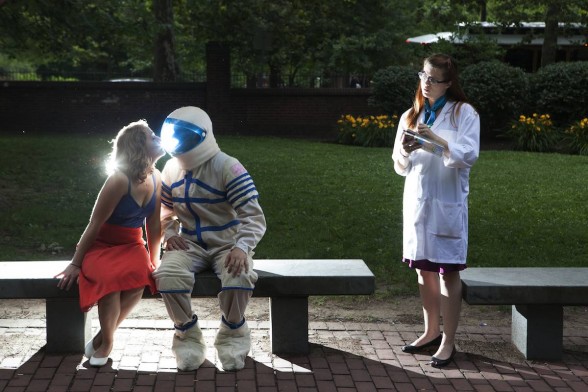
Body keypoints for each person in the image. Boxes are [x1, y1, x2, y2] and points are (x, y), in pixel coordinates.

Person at [153, 106, 266, 372]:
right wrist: (169, 233)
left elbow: (253, 216)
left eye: (186, 136)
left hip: (227, 243)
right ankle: (187, 335)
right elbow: (165, 210)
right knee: (167, 276)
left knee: (239, 276)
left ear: (203, 136)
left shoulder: (227, 167)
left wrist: (242, 247)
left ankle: (233, 332)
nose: (179, 143)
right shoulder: (171, 169)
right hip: (189, 242)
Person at [391, 54, 480, 368]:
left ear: (448, 83)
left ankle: (448, 341)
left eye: (433, 79)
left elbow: (468, 155)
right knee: (423, 269)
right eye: (423, 76)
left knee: (448, 272)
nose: (426, 83)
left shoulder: (463, 114)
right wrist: (405, 149)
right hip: (418, 203)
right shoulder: (411, 115)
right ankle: (430, 331)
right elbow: (398, 165)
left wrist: (438, 141)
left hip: (447, 204)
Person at [55, 120, 164, 367]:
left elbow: (154, 225)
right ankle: (108, 343)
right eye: (151, 136)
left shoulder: (157, 177)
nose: (158, 138)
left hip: (133, 244)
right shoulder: (118, 179)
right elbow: (94, 224)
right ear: (138, 145)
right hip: (102, 245)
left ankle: (102, 336)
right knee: (110, 283)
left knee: (140, 281)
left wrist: (154, 259)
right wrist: (76, 263)